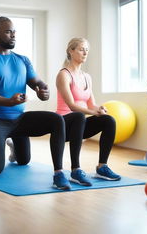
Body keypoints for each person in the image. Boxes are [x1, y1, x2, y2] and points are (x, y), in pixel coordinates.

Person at [0, 16, 71, 190]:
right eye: (8, 32)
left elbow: (37, 82)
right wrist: (8, 101)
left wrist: (43, 89)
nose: (13, 35)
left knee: (52, 125)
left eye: (14, 32)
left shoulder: (22, 60)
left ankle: (58, 172)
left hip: (18, 119)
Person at [55, 37, 121, 186]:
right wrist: (93, 112)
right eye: (81, 49)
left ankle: (102, 167)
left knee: (109, 120)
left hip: (80, 123)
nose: (85, 53)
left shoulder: (87, 77)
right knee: (78, 116)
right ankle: (75, 170)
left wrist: (100, 109)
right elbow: (71, 105)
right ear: (71, 51)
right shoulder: (64, 75)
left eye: (87, 50)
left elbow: (91, 103)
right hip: (63, 125)